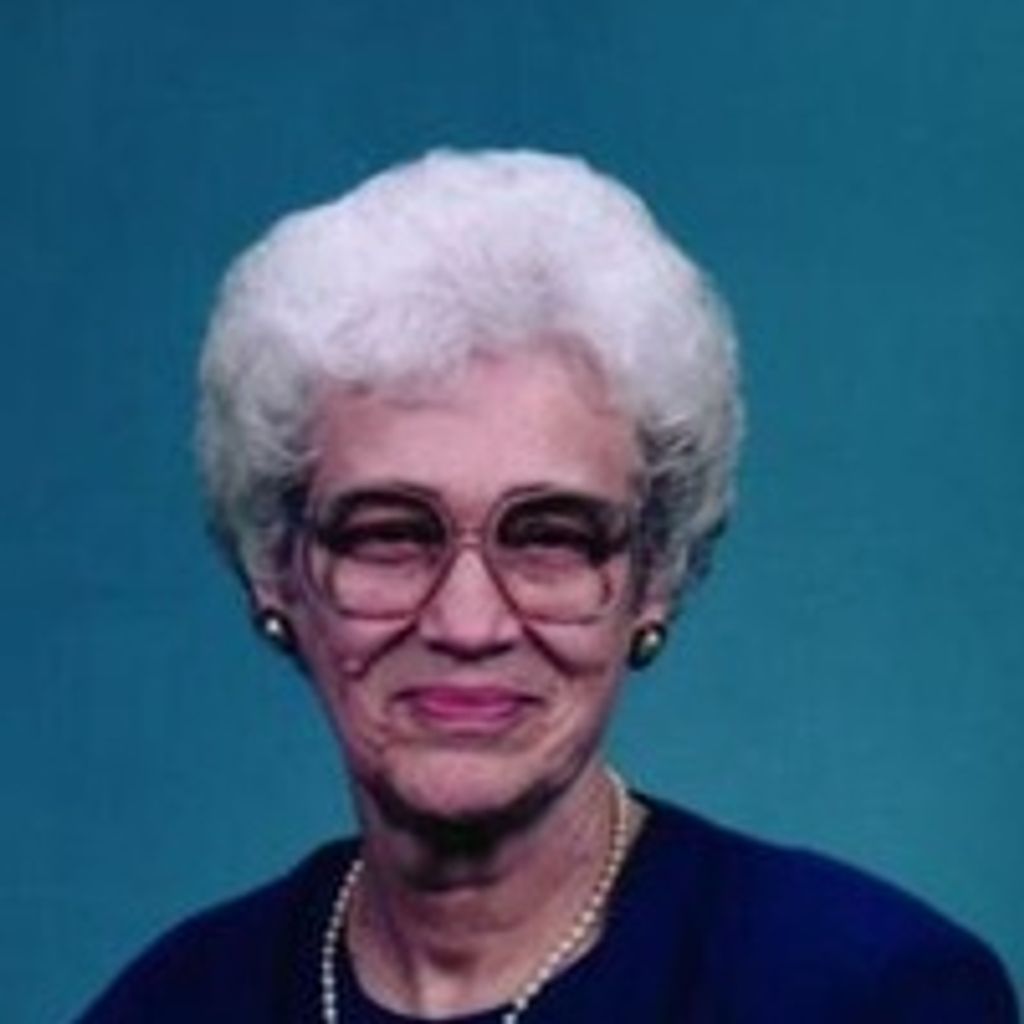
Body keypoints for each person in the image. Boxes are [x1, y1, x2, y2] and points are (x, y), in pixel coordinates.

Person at [79, 149, 1017, 1022]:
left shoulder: (866, 991)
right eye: (391, 535)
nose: (468, 622)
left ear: (655, 575)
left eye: (550, 540)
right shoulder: (174, 1003)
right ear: (277, 568)